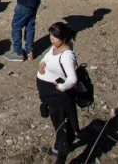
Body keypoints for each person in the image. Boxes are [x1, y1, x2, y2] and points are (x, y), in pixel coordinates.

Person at [36, 22, 80, 164]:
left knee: (62, 127)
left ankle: (62, 155)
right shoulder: (55, 47)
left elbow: (72, 79)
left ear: (63, 38)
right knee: (58, 124)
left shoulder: (67, 56)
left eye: (54, 36)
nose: (51, 38)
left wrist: (61, 88)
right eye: (51, 35)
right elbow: (46, 57)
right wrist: (42, 63)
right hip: (50, 96)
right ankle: (58, 147)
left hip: (58, 98)